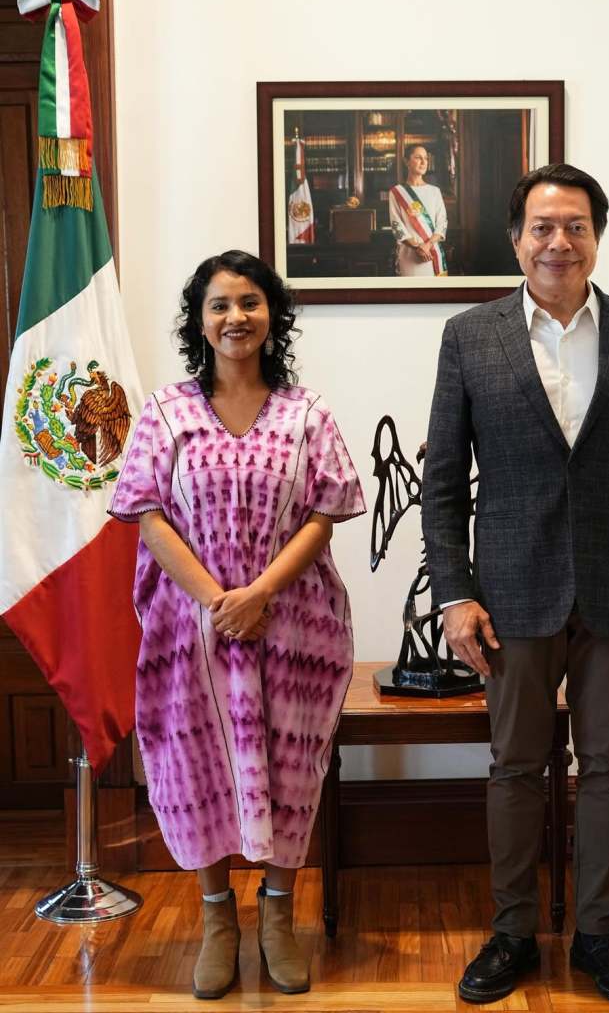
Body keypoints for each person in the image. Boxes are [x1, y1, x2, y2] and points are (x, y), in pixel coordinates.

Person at [421, 164, 609, 1007]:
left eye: (575, 225)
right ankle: (511, 934)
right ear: (516, 240)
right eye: (542, 226)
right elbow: (442, 483)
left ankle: (597, 936)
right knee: (515, 765)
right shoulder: (471, 337)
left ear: (596, 237)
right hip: (509, 593)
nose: (558, 241)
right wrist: (455, 592)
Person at [109, 250, 365, 1000]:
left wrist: (259, 595)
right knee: (197, 767)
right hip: (188, 627)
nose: (235, 318)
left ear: (273, 315)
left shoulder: (306, 412)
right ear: (198, 319)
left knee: (291, 766)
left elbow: (326, 512)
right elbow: (145, 514)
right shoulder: (165, 411)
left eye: (250, 302)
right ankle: (217, 918)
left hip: (294, 623)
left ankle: (279, 917)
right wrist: (219, 602)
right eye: (219, 304)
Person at [389, 144, 448, 276]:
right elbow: (396, 225)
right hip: (410, 256)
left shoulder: (435, 191)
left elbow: (442, 222)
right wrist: (417, 247)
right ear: (406, 162)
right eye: (418, 157)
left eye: (426, 158)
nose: (423, 162)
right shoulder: (397, 192)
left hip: (431, 253)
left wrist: (427, 246)